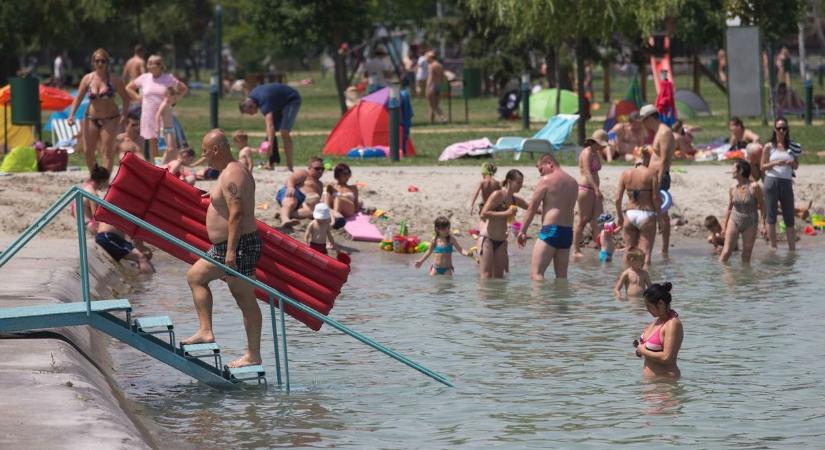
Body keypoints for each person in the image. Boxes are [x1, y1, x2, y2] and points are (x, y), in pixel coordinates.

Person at [181, 129, 262, 369]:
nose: (204, 155)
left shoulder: (232, 174)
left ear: (216, 149)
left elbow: (237, 213)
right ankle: (206, 330)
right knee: (196, 277)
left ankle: (253, 355)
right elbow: (230, 202)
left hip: (237, 246)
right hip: (229, 245)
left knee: (245, 299)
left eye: (205, 151)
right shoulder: (230, 172)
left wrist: (230, 252)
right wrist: (215, 197)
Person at [67, 49, 131, 174]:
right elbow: (78, 99)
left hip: (110, 119)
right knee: (88, 151)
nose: (100, 64)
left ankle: (105, 179)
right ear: (93, 63)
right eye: (97, 61)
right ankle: (95, 176)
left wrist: (124, 115)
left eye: (103, 61)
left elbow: (126, 99)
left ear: (107, 63)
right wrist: (71, 115)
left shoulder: (115, 79)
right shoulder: (87, 79)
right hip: (91, 118)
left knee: (106, 150)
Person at [517, 153, 578, 280]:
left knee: (536, 275)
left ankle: (539, 300)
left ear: (549, 163)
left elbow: (532, 207)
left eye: (541, 169)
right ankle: (560, 300)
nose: (541, 174)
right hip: (567, 232)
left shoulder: (546, 181)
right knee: (561, 278)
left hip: (551, 230)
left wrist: (522, 231)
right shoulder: (573, 182)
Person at [126, 55, 188, 162]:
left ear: (160, 65)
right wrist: (137, 97)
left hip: (164, 116)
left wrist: (175, 99)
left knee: (167, 142)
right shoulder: (145, 78)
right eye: (148, 63)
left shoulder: (168, 78)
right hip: (148, 115)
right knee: (152, 141)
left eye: (152, 63)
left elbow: (183, 88)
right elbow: (128, 87)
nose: (149, 65)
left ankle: (167, 164)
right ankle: (156, 165)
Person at [615, 146, 664, 269]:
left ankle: (626, 281)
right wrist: (660, 218)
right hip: (646, 214)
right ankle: (646, 284)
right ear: (647, 159)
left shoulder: (625, 174)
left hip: (630, 214)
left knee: (628, 252)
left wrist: (620, 217)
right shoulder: (652, 174)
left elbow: (617, 198)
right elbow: (655, 198)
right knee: (645, 254)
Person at [239, 82, 302, 171]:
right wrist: (270, 142)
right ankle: (271, 163)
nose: (251, 114)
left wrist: (270, 145)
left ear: (251, 105)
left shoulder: (264, 101)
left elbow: (270, 125)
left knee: (284, 131)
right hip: (279, 103)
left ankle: (289, 165)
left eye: (249, 112)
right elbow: (270, 128)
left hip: (291, 100)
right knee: (270, 134)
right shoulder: (254, 97)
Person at [760, 117, 800, 251]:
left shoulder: (792, 146)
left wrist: (791, 163)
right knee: (771, 216)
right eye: (779, 128)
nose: (782, 131)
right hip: (772, 181)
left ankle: (792, 249)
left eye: (784, 128)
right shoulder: (769, 146)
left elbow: (796, 166)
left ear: (787, 129)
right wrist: (775, 163)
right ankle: (773, 247)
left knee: (789, 215)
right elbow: (762, 166)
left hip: (787, 182)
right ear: (774, 130)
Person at [479, 169, 528, 279]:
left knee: (499, 278)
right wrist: (505, 213)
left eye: (522, 183)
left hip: (501, 242)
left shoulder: (515, 200)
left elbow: (531, 208)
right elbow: (483, 214)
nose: (521, 186)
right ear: (509, 182)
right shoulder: (498, 194)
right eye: (518, 183)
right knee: (486, 276)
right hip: (488, 239)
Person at [640, 104, 675, 256]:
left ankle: (664, 249)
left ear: (648, 119)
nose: (643, 125)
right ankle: (658, 249)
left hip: (659, 178)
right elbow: (658, 156)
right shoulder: (658, 132)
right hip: (653, 177)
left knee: (662, 213)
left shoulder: (665, 132)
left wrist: (658, 181)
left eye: (643, 121)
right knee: (656, 213)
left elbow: (665, 160)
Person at [633, 282, 683, 379]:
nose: (647, 310)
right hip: (651, 383)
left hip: (665, 383)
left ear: (660, 303)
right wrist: (639, 350)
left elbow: (667, 358)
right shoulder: (656, 321)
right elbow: (648, 351)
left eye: (649, 306)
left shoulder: (672, 324)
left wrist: (642, 350)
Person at [720, 160, 766, 263]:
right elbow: (729, 208)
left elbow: (763, 205)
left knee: (746, 254)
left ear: (740, 171)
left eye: (733, 168)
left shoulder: (754, 187)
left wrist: (762, 224)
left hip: (751, 221)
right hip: (734, 219)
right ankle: (722, 277)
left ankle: (744, 278)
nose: (731, 171)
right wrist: (724, 226)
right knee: (726, 251)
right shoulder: (732, 188)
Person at [573, 130, 607, 257]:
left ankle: (600, 247)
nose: (604, 146)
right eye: (603, 144)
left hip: (594, 189)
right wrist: (596, 188)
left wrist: (597, 189)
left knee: (599, 220)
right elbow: (587, 172)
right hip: (586, 189)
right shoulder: (587, 152)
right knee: (583, 219)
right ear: (596, 142)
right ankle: (576, 250)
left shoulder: (595, 153)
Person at [276, 157, 325, 228]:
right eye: (317, 168)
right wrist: (290, 187)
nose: (320, 171)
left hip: (304, 202)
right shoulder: (304, 174)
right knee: (291, 201)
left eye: (322, 169)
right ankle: (285, 219)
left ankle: (285, 214)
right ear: (309, 168)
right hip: (295, 193)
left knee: (311, 212)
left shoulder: (320, 184)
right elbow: (291, 179)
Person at [155, 86, 179, 164]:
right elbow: (157, 115)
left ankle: (175, 163)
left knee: (174, 148)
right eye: (174, 98)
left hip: (171, 129)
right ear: (169, 96)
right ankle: (161, 164)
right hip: (166, 130)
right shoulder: (164, 104)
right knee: (169, 149)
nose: (175, 100)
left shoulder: (169, 104)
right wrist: (157, 127)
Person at [425, 51, 446, 124]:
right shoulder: (440, 65)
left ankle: (443, 118)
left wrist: (427, 87)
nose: (426, 59)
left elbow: (430, 78)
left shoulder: (431, 66)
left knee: (432, 105)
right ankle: (431, 121)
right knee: (435, 105)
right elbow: (443, 77)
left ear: (430, 57)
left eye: (426, 57)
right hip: (439, 85)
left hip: (432, 86)